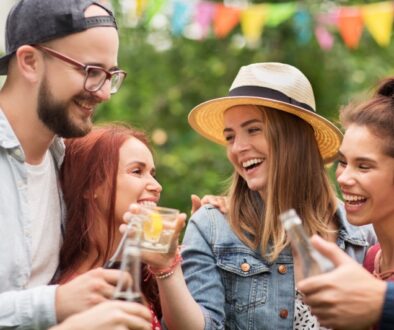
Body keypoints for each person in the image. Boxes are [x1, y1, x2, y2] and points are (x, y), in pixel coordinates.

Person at [153, 62, 376, 330]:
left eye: (253, 130)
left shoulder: (362, 233)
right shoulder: (211, 227)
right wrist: (166, 270)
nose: (238, 148)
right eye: (230, 136)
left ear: (294, 136)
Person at [0, 0, 150, 328]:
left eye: (111, 76)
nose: (105, 93)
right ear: (29, 62)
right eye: (91, 72)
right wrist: (54, 304)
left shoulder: (68, 162)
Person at [55, 123, 187, 329]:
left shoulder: (144, 272)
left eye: (153, 173)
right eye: (137, 171)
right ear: (91, 186)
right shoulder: (73, 298)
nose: (157, 186)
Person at [298, 77, 394, 329]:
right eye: (343, 162)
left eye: (363, 166)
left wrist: (383, 303)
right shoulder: (372, 259)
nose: (343, 178)